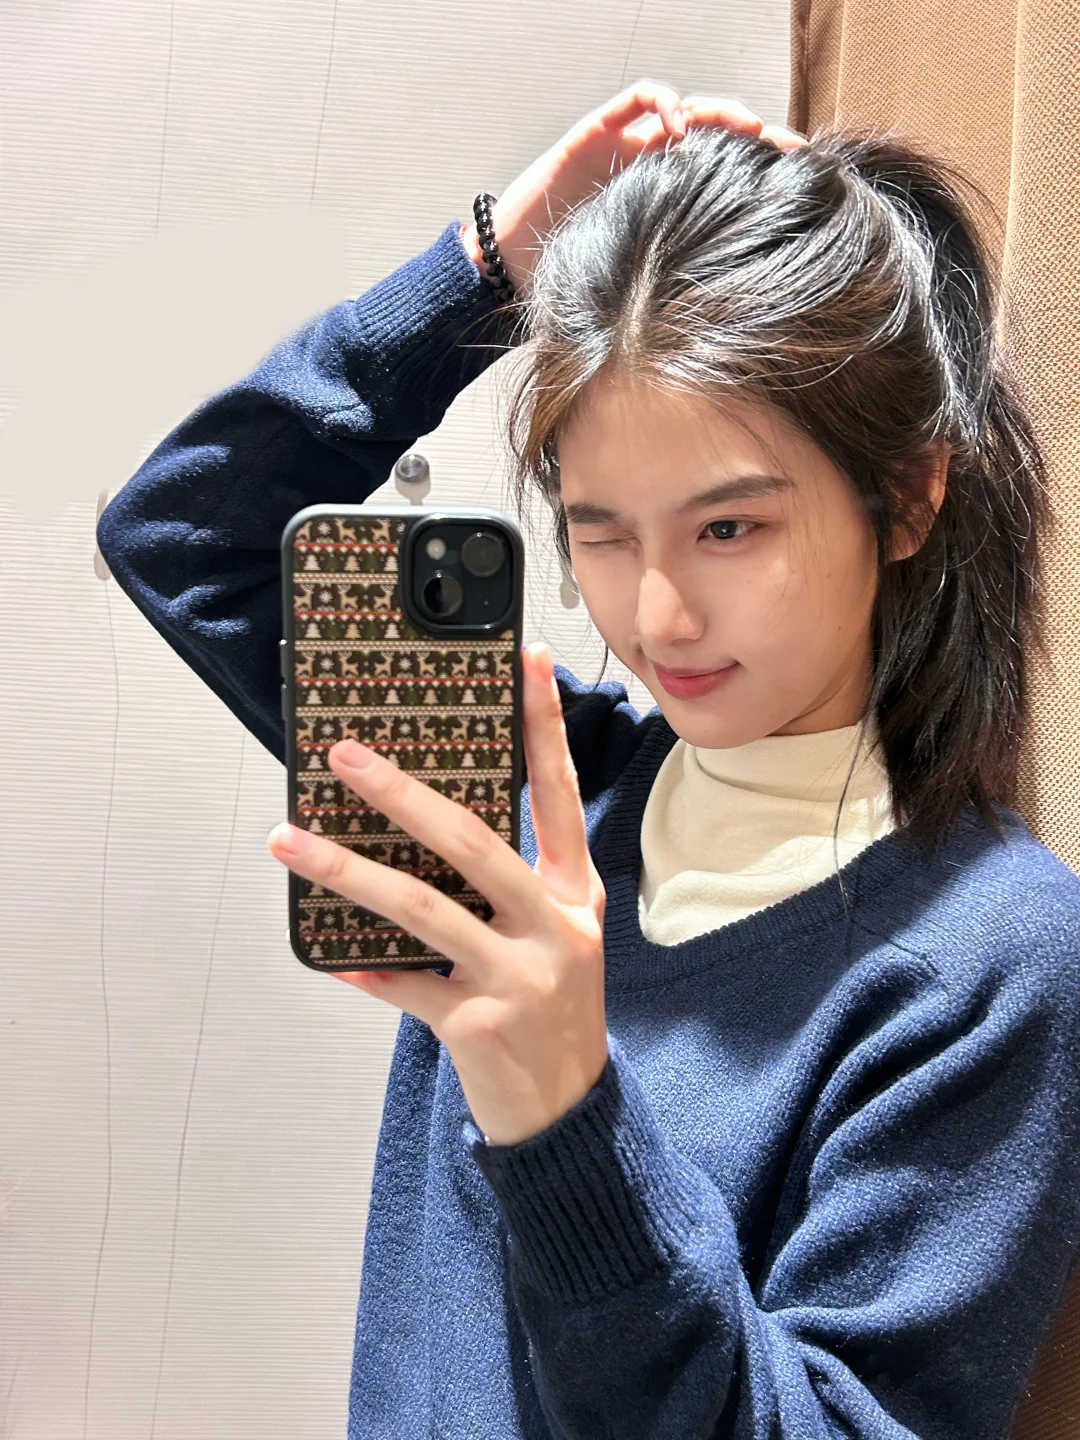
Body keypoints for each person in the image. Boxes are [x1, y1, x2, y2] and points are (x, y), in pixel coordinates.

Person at [96, 79, 1080, 1440]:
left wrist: (568, 1123)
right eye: (602, 531)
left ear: (909, 496)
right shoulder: (516, 782)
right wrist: (491, 264)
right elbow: (182, 536)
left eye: (729, 529)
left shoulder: (988, 956)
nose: (658, 615)